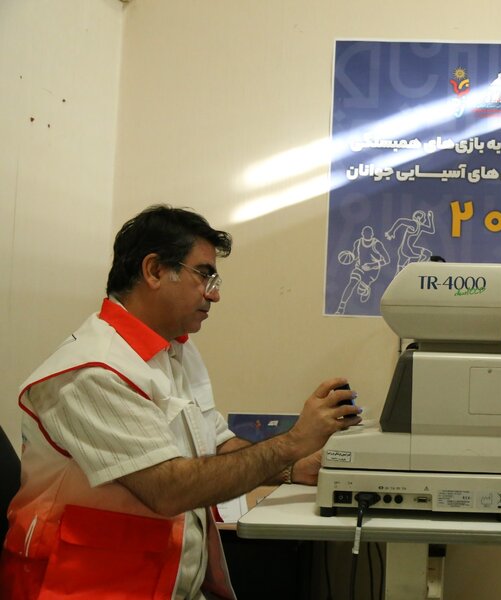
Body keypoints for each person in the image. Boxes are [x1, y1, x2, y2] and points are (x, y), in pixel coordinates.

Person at [0, 205, 362, 599]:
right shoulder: (92, 372)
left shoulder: (175, 350)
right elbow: (168, 489)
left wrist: (293, 468)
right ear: (155, 270)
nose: (215, 294)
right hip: (80, 587)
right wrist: (292, 442)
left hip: (159, 581)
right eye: (204, 275)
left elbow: (216, 445)